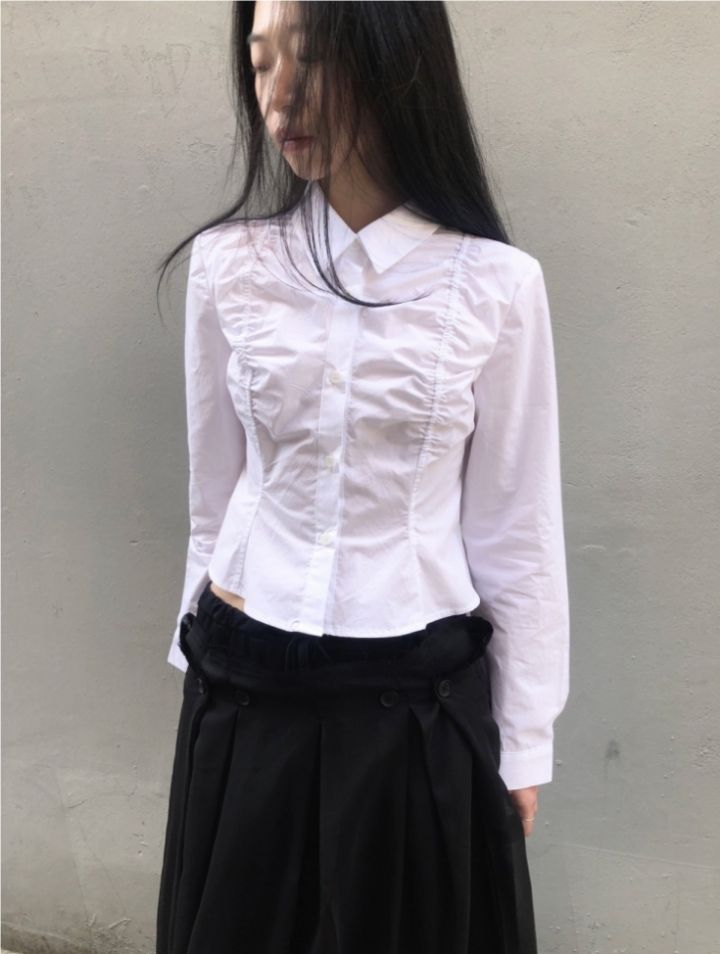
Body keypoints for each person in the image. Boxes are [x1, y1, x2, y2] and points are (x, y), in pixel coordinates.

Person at [154, 2, 570, 952]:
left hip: (414, 708)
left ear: (397, 60)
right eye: (260, 62)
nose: (279, 96)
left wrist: (524, 739)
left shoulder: (495, 285)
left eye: (310, 57)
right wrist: (197, 680)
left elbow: (517, 530)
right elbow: (215, 496)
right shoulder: (228, 269)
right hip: (245, 690)